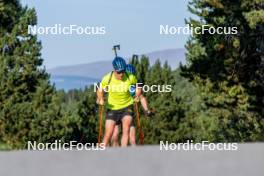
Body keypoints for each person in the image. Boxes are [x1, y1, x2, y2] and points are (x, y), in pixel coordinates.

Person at [96, 57, 141, 147]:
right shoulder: (107, 78)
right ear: (114, 70)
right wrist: (100, 98)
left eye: (123, 71)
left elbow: (138, 85)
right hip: (112, 108)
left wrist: (137, 95)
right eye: (119, 72)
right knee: (109, 134)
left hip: (126, 106)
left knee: (126, 130)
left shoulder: (130, 76)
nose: (121, 74)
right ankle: (100, 155)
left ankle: (123, 154)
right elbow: (100, 90)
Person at [111, 64, 152, 146]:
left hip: (128, 113)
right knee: (115, 137)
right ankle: (115, 155)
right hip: (116, 112)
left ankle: (133, 157)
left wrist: (147, 110)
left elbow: (141, 96)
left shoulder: (134, 84)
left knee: (132, 140)